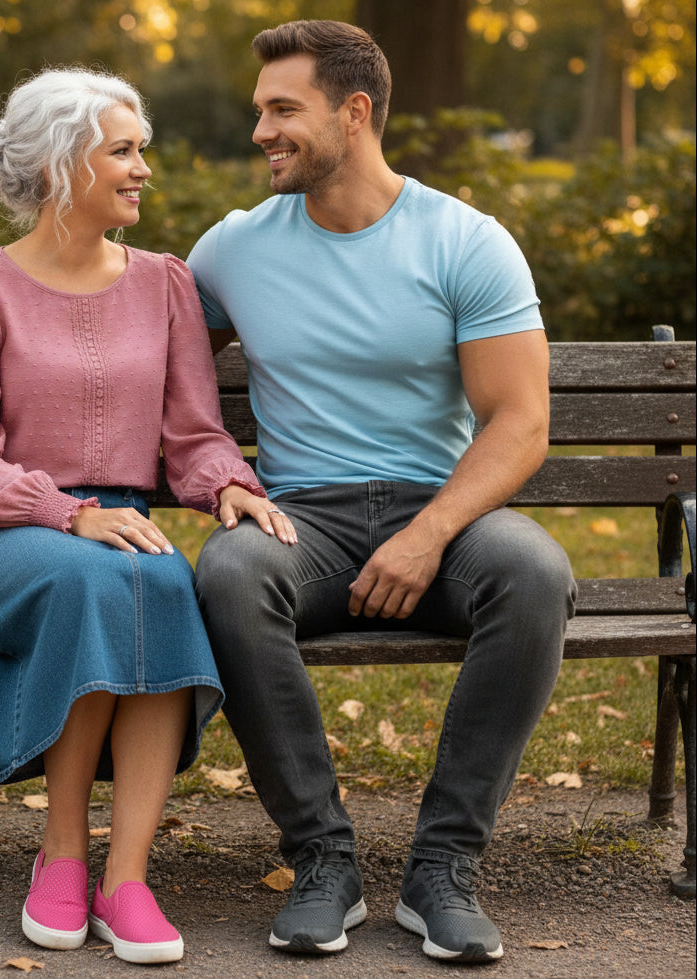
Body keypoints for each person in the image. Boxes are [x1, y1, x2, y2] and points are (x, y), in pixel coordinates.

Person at [188, 20, 577, 964]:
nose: (260, 132)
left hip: (436, 510)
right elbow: (153, 380)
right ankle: (323, 862)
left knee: (533, 570)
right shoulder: (232, 249)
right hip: (303, 522)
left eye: (283, 110)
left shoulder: (463, 240)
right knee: (230, 574)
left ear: (353, 112)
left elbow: (519, 421)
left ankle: (442, 869)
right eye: (259, 112)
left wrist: (429, 533)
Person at [0, 66, 295, 966]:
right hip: (1, 532)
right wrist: (66, 512)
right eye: (122, 151)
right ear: (62, 165)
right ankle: (60, 853)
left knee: (157, 576)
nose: (142, 170)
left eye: (142, 151)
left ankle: (126, 875)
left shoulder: (164, 284)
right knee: (108, 573)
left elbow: (193, 433)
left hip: (125, 528)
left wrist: (226, 486)